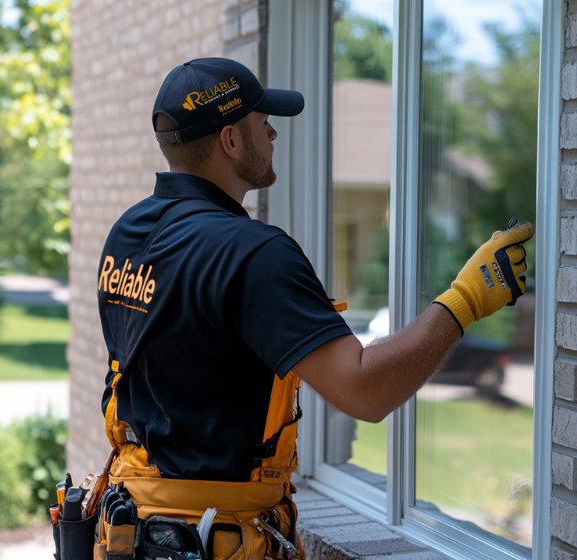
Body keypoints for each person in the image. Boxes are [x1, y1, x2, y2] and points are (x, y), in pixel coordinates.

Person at [92, 57, 533, 560]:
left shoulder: (128, 234)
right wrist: (466, 300)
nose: (274, 133)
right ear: (231, 141)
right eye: (262, 123)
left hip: (134, 531)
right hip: (212, 540)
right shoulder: (253, 254)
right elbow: (364, 391)